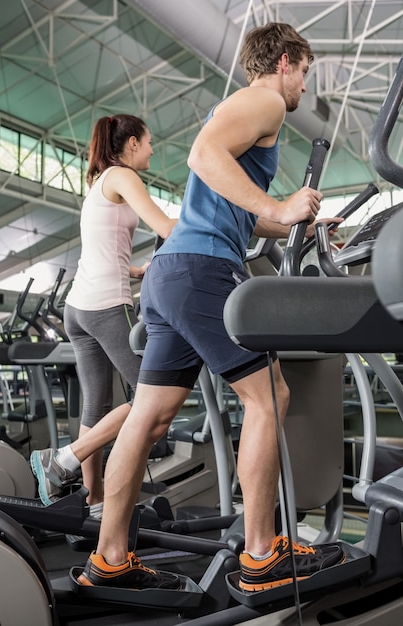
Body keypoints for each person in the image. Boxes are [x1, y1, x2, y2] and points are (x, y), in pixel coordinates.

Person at [31, 22, 345, 592]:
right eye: (305, 72)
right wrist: (280, 198)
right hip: (201, 270)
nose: (303, 85)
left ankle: (109, 560)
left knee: (148, 418)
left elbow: (245, 212)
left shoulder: (243, 113)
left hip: (171, 273)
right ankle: (259, 554)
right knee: (269, 395)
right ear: (286, 61)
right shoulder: (266, 102)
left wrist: (303, 217)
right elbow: (204, 156)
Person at [30, 114, 176, 517]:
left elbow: (101, 249)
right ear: (130, 143)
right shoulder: (122, 177)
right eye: (147, 142)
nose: (151, 150)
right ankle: (61, 460)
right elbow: (166, 225)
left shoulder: (97, 184)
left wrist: (136, 269)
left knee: (96, 403)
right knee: (154, 397)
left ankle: (92, 502)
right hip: (107, 306)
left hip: (79, 308)